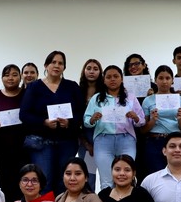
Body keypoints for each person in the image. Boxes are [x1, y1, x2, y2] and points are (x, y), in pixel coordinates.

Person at [20, 51, 83, 194]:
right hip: (41, 142)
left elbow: (81, 113)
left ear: (64, 68)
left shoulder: (72, 86)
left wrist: (69, 123)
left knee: (65, 181)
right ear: (46, 65)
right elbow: (24, 114)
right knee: (44, 181)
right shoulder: (34, 87)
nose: (57, 65)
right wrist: (44, 122)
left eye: (60, 63)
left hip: (67, 141)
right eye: (53, 62)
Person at [83, 65, 145, 189]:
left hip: (126, 140)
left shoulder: (130, 97)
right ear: (104, 80)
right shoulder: (97, 98)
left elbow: (142, 121)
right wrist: (92, 119)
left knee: (126, 177)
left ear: (122, 79)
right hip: (103, 141)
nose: (112, 79)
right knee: (106, 181)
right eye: (109, 77)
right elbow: (85, 121)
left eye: (116, 76)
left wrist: (135, 117)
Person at [0, 64, 27, 202]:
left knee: (25, 186)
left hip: (24, 149)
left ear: (20, 77)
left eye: (15, 74)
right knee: (6, 187)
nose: (10, 78)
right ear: (2, 78)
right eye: (7, 75)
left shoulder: (26, 95)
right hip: (2, 150)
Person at [140, 65, 181, 178]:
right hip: (155, 141)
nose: (164, 81)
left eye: (167, 78)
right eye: (161, 78)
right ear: (155, 80)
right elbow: (143, 130)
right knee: (156, 175)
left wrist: (180, 118)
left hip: (175, 141)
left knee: (176, 174)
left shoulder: (180, 99)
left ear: (172, 80)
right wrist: (153, 120)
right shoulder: (148, 100)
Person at [78, 58, 103, 190]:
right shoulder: (77, 92)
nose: (92, 71)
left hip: (104, 136)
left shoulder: (106, 92)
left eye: (95, 69)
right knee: (89, 176)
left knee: (108, 175)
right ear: (84, 71)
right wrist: (86, 143)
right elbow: (75, 120)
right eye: (88, 68)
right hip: (84, 138)